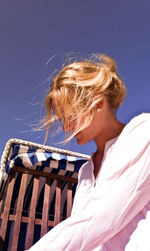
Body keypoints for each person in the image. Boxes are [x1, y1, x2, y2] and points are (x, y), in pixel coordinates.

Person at [28, 54, 150, 250]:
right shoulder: (86, 170)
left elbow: (102, 218)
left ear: (98, 104)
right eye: (62, 119)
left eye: (70, 116)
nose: (67, 128)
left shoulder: (143, 132)